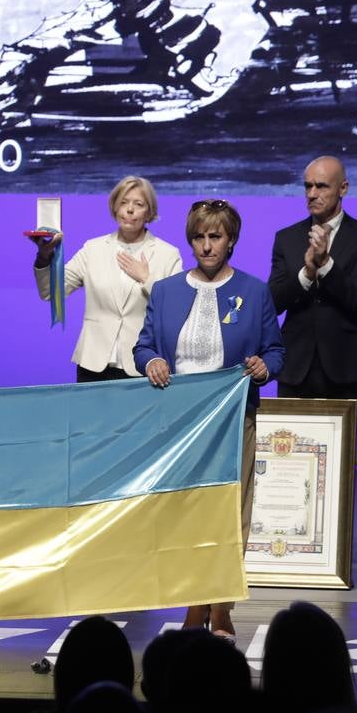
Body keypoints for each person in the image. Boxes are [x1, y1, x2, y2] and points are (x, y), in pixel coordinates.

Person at [134, 198, 284, 638]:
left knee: (229, 515)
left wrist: (265, 367)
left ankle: (221, 607)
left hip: (234, 420)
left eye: (214, 236)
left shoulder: (255, 292)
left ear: (231, 240)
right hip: (181, 425)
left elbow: (276, 350)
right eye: (199, 237)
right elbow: (144, 346)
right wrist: (151, 363)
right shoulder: (166, 291)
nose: (206, 245)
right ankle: (193, 605)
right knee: (187, 515)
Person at [33, 176, 182, 381]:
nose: (129, 210)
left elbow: (176, 308)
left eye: (138, 204)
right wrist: (44, 257)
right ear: (114, 207)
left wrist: (146, 279)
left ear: (149, 212)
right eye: (123, 202)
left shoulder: (168, 254)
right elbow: (50, 292)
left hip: (142, 365)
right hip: (92, 364)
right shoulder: (93, 249)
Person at [268, 156, 357, 409]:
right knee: (290, 447)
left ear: (343, 188)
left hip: (345, 364)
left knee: (340, 448)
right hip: (295, 365)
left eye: (321, 186)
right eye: (307, 186)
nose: (312, 194)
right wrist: (307, 275)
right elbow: (273, 302)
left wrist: (326, 264)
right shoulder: (286, 238)